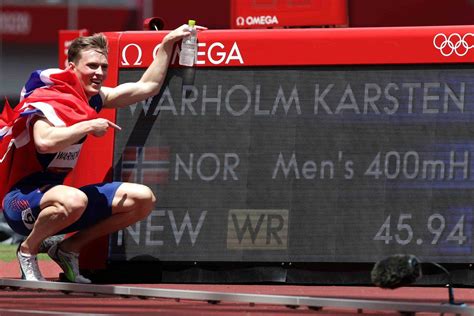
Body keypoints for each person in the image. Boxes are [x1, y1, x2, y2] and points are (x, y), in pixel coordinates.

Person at [0, 23, 206, 283]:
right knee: (74, 200)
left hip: (63, 202)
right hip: (21, 203)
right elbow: (44, 142)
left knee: (142, 199)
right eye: (92, 66)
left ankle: (67, 249)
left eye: (103, 67)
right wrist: (87, 125)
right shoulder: (48, 98)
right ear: (71, 68)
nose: (99, 73)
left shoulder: (93, 98)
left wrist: (166, 44)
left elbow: (147, 87)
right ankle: (28, 251)